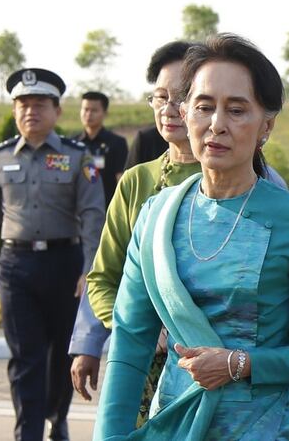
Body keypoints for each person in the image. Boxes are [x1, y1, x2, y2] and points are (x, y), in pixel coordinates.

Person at [94, 33, 289, 441]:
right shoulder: (156, 216)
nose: (217, 124)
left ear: (265, 125)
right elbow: (130, 341)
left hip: (267, 429)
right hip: (175, 425)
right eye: (204, 107)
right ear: (185, 113)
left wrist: (243, 364)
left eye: (236, 110)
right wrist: (109, 436)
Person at [0, 68, 105, 441]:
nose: (30, 111)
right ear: (14, 111)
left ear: (57, 111)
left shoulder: (79, 157)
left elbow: (93, 215)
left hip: (65, 265)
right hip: (16, 267)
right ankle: (27, 432)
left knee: (61, 354)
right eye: (23, 105)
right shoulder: (0, 158)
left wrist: (89, 269)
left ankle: (56, 417)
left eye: (39, 104)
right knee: (25, 357)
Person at [73, 40, 201, 421]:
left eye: (182, 96)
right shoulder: (135, 182)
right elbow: (103, 278)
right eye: (160, 97)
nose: (168, 108)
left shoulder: (247, 181)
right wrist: (127, 331)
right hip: (141, 364)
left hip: (214, 366)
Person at [75, 91, 128, 207]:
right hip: (77, 208)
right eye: (85, 109)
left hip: (107, 206)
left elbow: (120, 179)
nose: (88, 114)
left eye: (94, 110)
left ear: (105, 113)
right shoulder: (73, 143)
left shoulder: (117, 143)